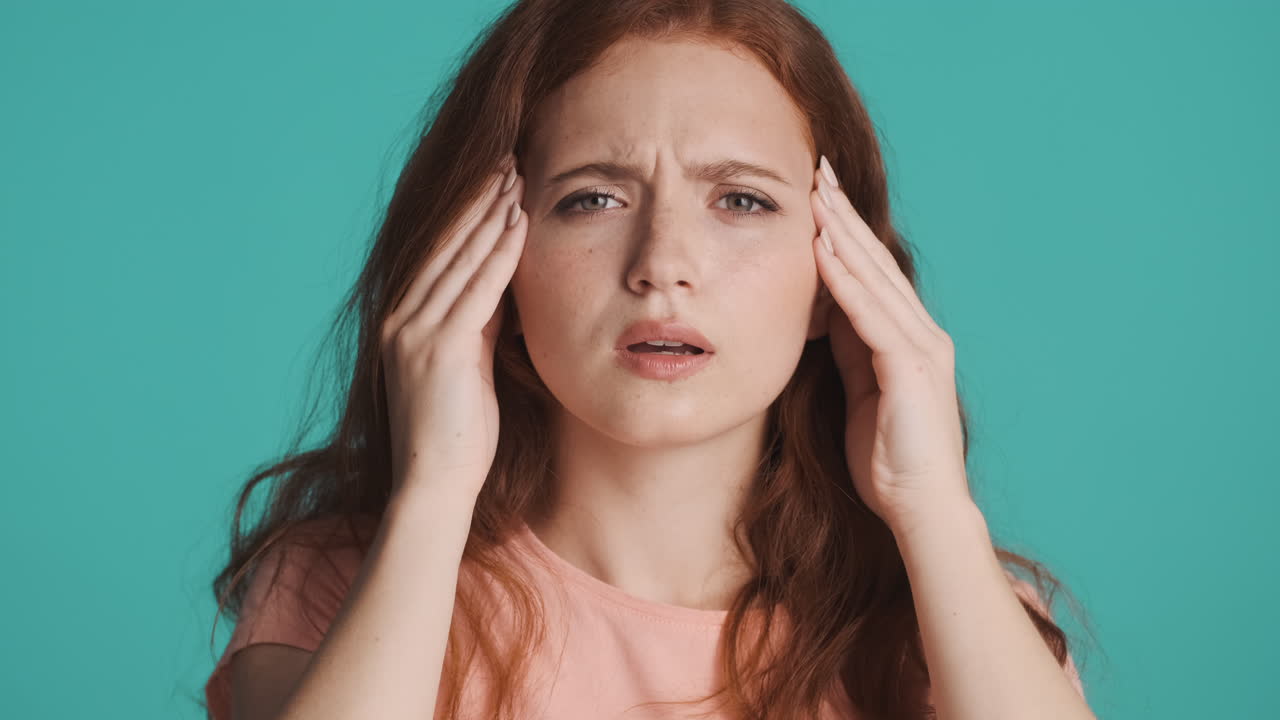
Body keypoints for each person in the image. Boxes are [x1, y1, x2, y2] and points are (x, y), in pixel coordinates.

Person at [203, 1, 1094, 718]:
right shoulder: (338, 584)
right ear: (492, 263)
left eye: (741, 200)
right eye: (592, 198)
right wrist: (434, 489)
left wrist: (933, 508)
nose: (662, 262)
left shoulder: (952, 618)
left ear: (835, 277)